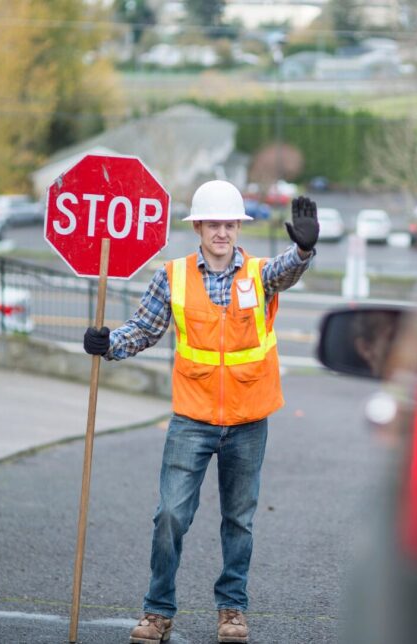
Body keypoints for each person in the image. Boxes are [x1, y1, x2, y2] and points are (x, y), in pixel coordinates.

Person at [82, 179, 319, 644]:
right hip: (192, 418)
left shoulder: (258, 274)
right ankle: (157, 612)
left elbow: (286, 271)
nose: (222, 232)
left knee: (239, 521)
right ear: (199, 227)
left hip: (248, 419)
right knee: (170, 515)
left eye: (230, 224)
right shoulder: (172, 276)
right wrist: (109, 343)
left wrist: (305, 252)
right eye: (214, 224)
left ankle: (232, 610)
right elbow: (145, 329)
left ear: (237, 228)